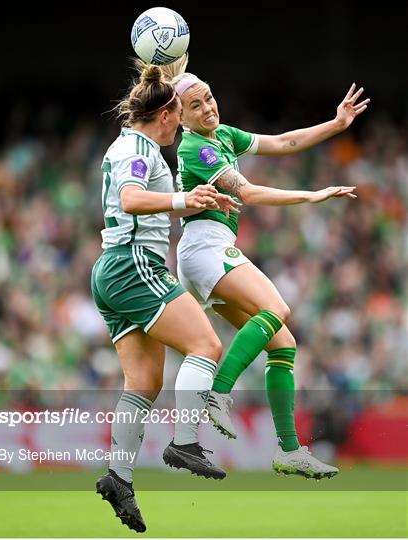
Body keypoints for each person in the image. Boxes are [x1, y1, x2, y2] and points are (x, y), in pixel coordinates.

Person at [162, 56, 369, 480]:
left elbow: (282, 142)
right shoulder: (194, 146)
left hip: (208, 251)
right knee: (277, 308)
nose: (209, 109)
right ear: (180, 117)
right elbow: (249, 193)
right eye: (197, 106)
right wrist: (311, 196)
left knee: (283, 343)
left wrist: (335, 125)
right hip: (206, 247)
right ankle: (218, 392)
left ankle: (290, 450)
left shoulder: (222, 135)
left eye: (210, 99)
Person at [91, 61, 240, 533]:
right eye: (180, 114)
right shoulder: (137, 148)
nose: (183, 124)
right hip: (134, 263)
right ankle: (184, 441)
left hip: (114, 268)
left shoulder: (132, 143)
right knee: (207, 345)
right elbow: (133, 199)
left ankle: (119, 477)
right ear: (165, 115)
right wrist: (185, 200)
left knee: (143, 382)